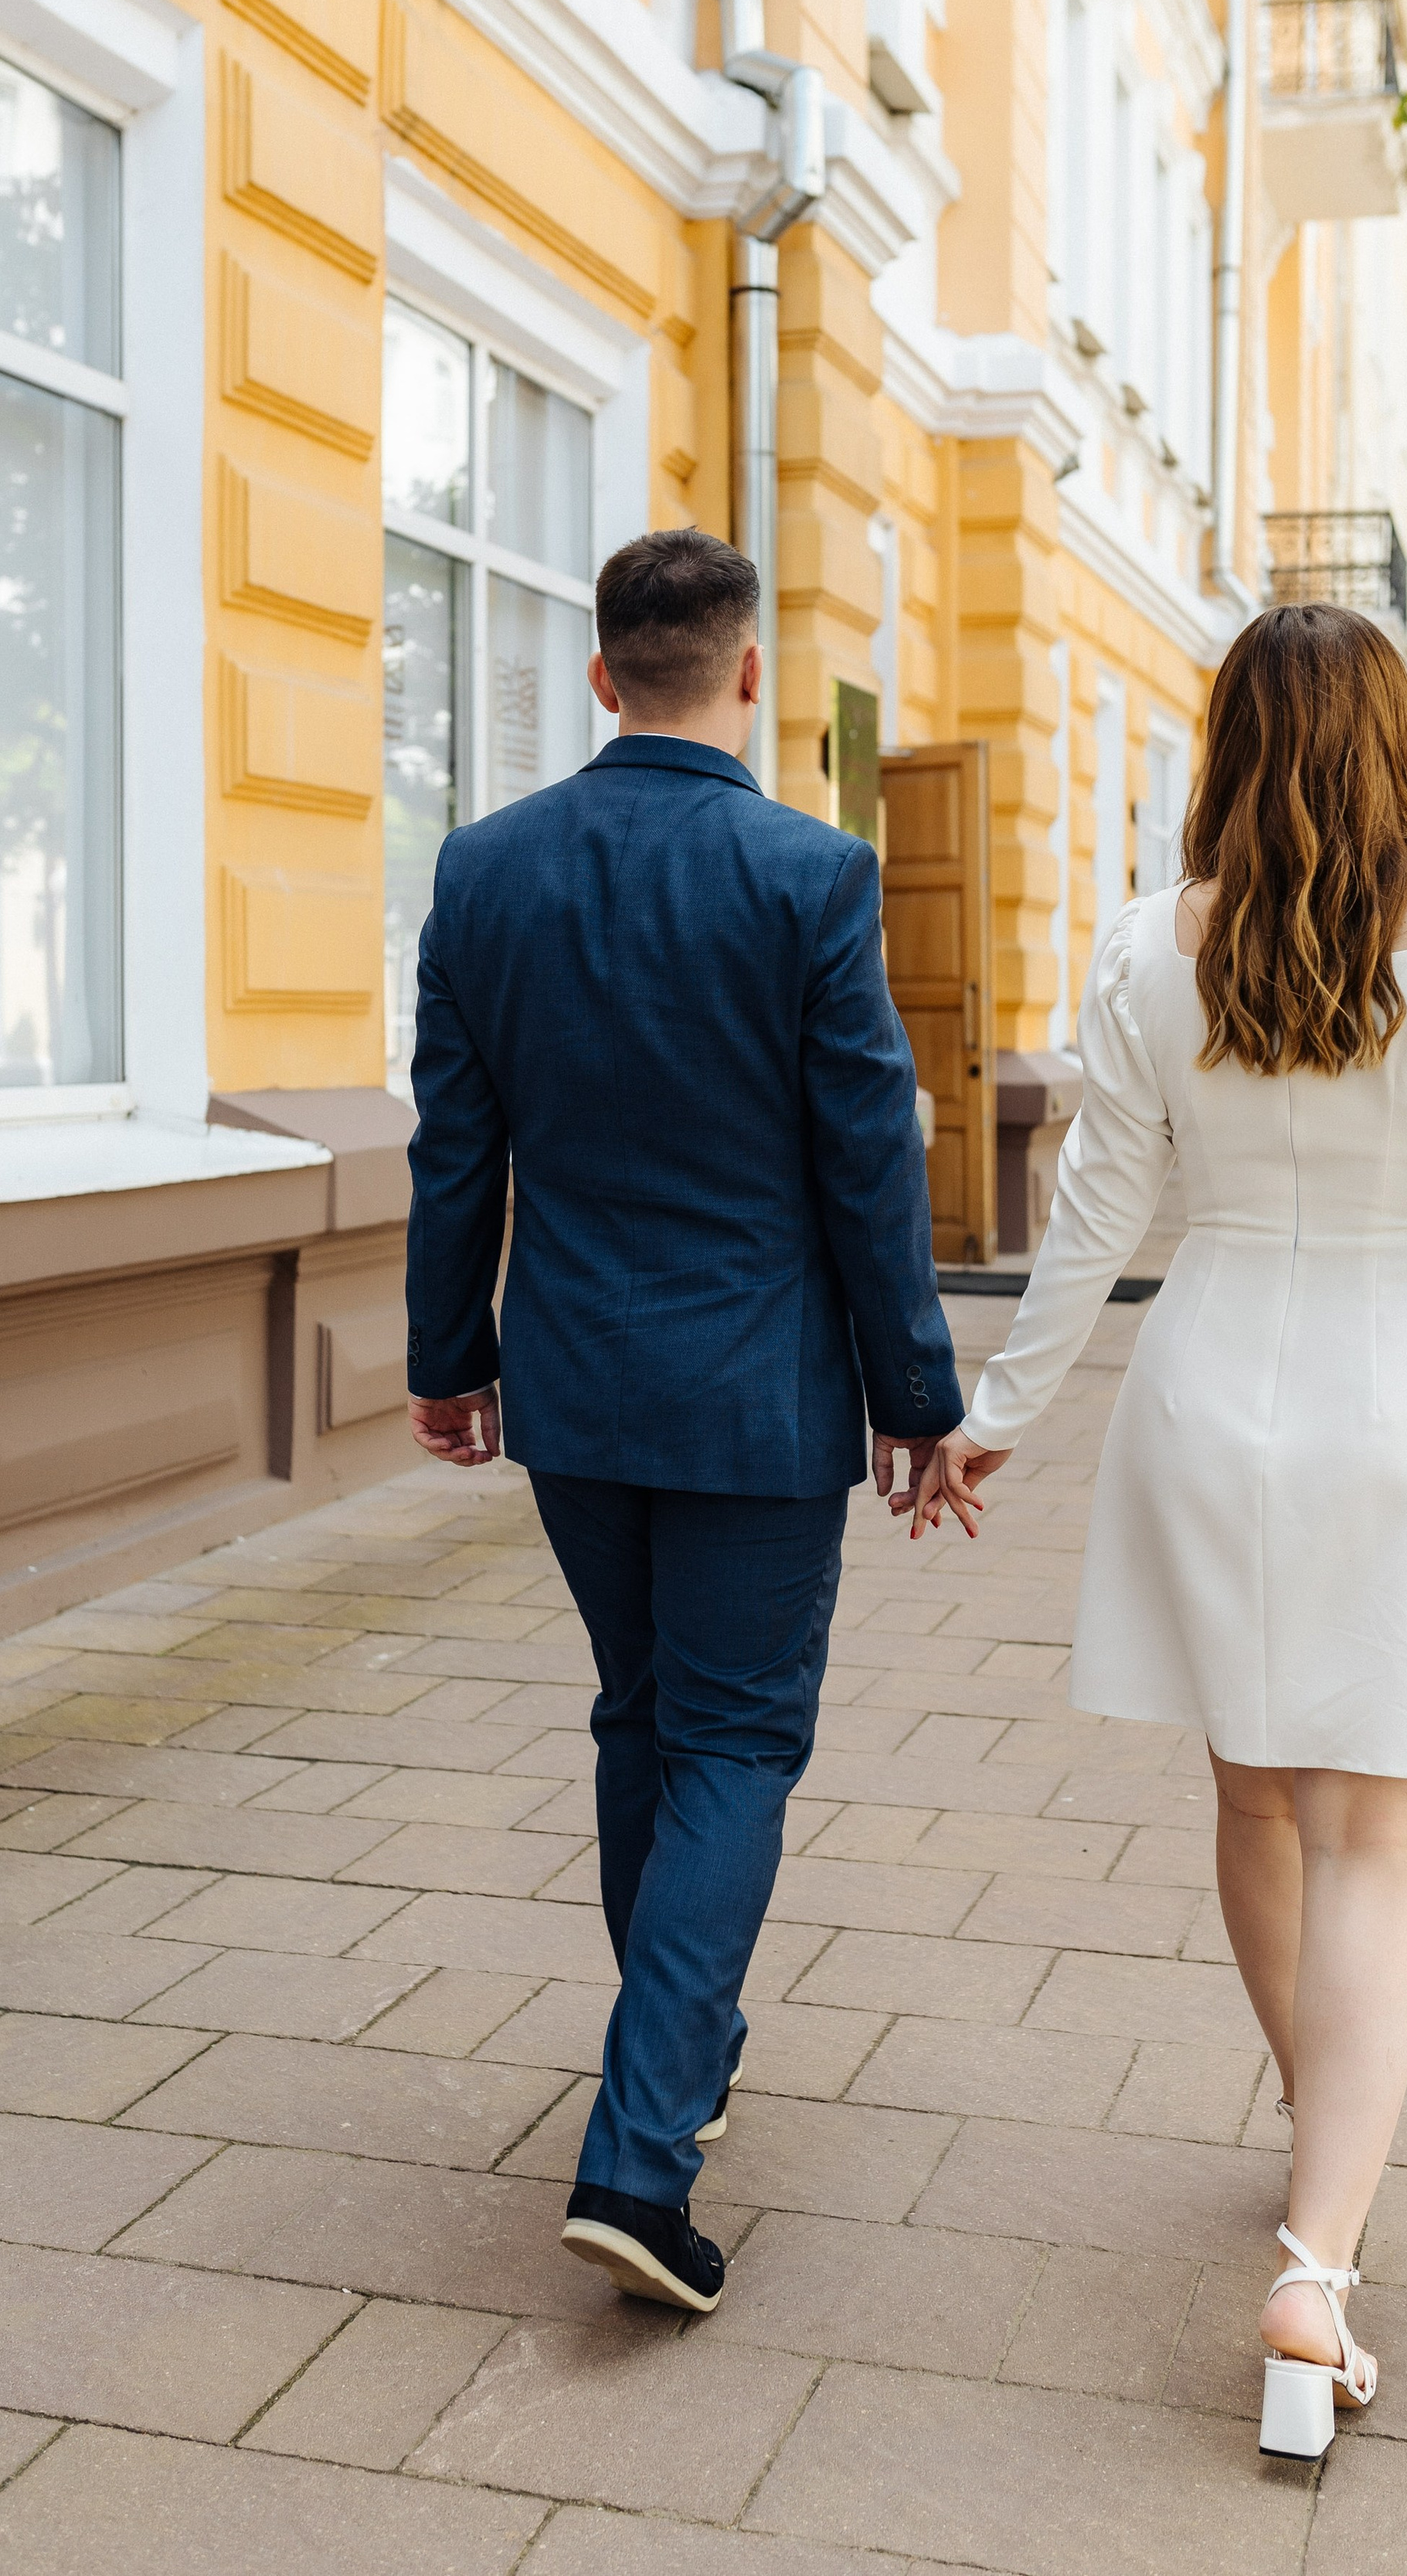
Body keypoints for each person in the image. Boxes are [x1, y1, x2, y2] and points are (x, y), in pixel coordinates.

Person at [911, 603, 1407, 2459]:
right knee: (1382, 1845)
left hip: (1206, 1397)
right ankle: (1313, 2261)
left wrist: (994, 1418)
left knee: (1257, 1797)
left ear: (1227, 748)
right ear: (1392, 741)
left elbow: (1092, 1210)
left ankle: (1314, 2138)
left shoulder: (1148, 950)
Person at [404, 526, 962, 2317]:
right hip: (752, 1399)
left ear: (599, 674)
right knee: (727, 1740)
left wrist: (447, 1358)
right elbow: (865, 1160)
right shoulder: (809, 873)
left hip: (572, 1388)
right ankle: (639, 2159)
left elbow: (453, 1149)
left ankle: (686, 2047)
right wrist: (915, 1396)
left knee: (641, 1714)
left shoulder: (484, 869)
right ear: (747, 673)